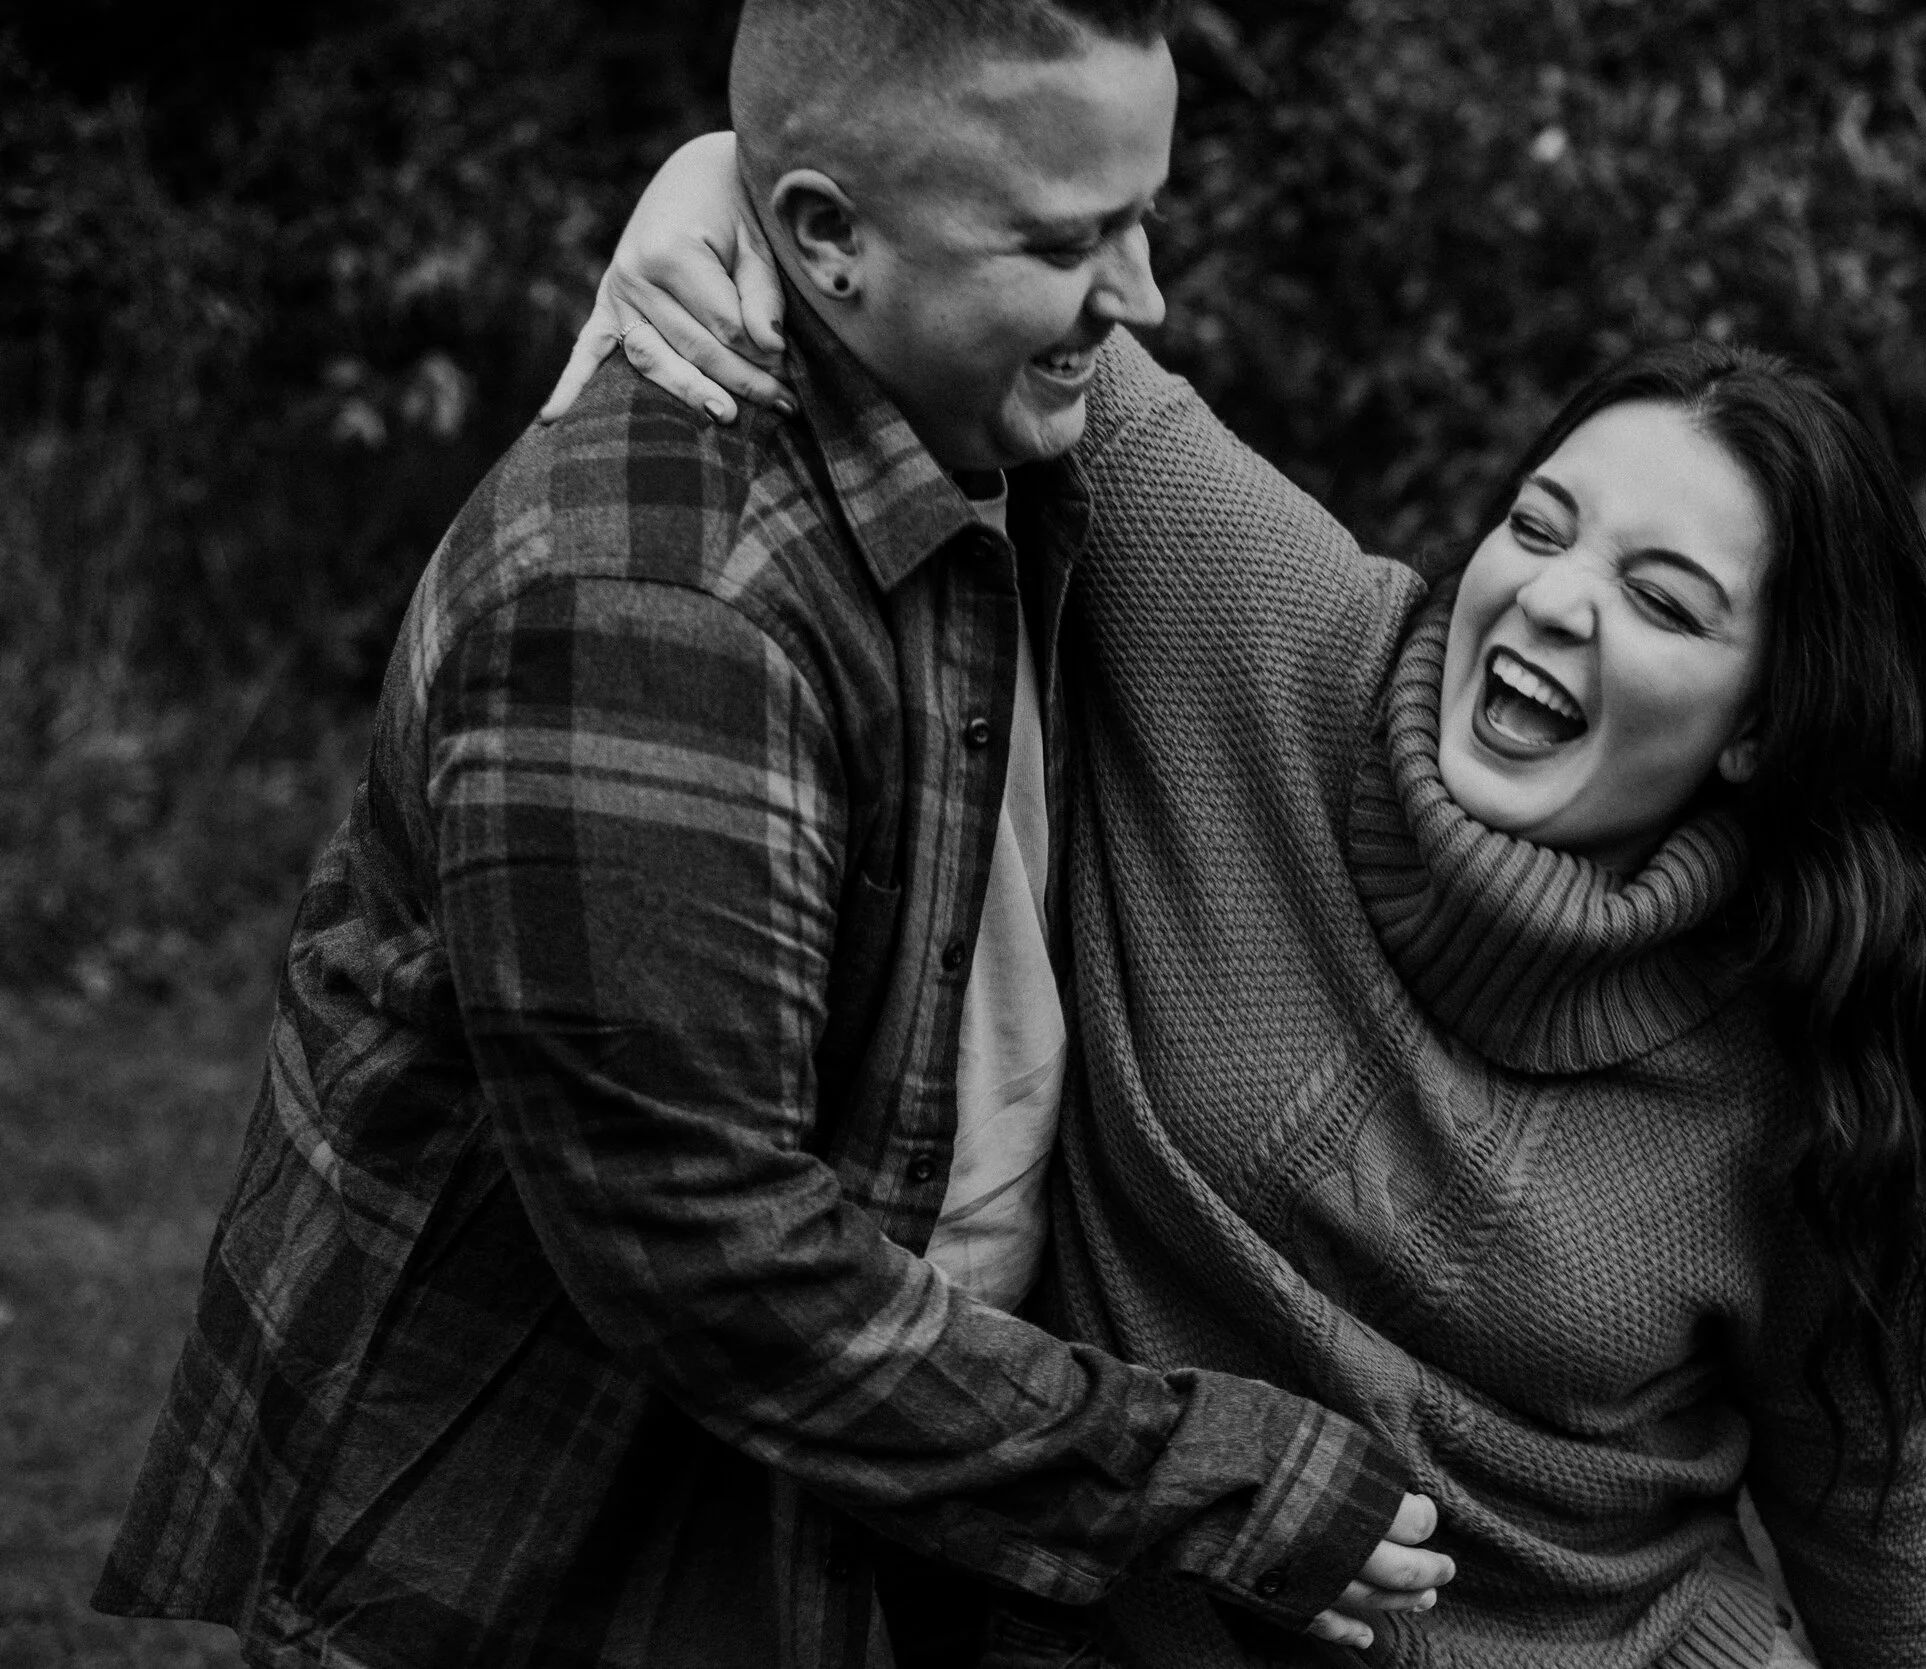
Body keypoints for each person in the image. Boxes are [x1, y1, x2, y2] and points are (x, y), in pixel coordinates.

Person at [559, 130, 1926, 1669]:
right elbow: (992, 272)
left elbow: (1865, 1500)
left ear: (1759, 727)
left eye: (1663, 602)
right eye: (1539, 523)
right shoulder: (1265, 628)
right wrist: (719, 172)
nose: (1555, 599)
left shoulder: (1796, 1052)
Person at [91, 5, 1455, 1667]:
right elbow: (710, 1255)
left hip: (852, 1499)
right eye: (1067, 240)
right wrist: (1221, 1480)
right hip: (541, 1551)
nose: (1145, 296)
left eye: (1141, 214)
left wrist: (714, 173)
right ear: (818, 237)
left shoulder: (969, 407)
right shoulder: (659, 602)